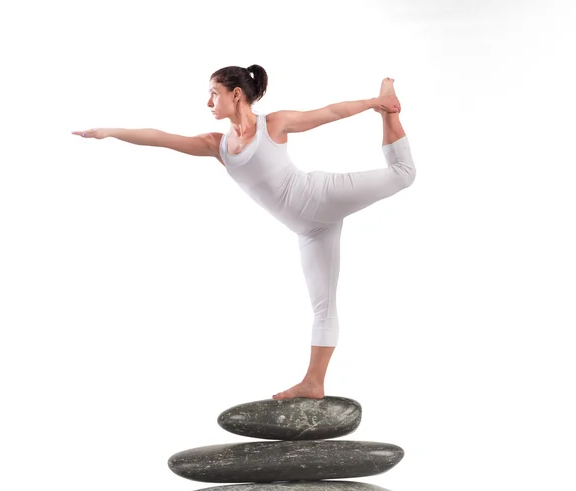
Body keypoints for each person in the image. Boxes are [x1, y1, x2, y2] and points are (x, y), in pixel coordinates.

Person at [71, 64, 416, 401]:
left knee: (403, 174)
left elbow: (330, 112)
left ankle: (390, 103)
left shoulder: (274, 125)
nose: (209, 102)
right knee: (323, 308)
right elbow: (162, 139)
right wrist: (110, 132)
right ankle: (314, 383)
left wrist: (376, 103)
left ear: (236, 95)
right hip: (310, 229)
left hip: (319, 196)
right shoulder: (217, 145)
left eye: (213, 93)